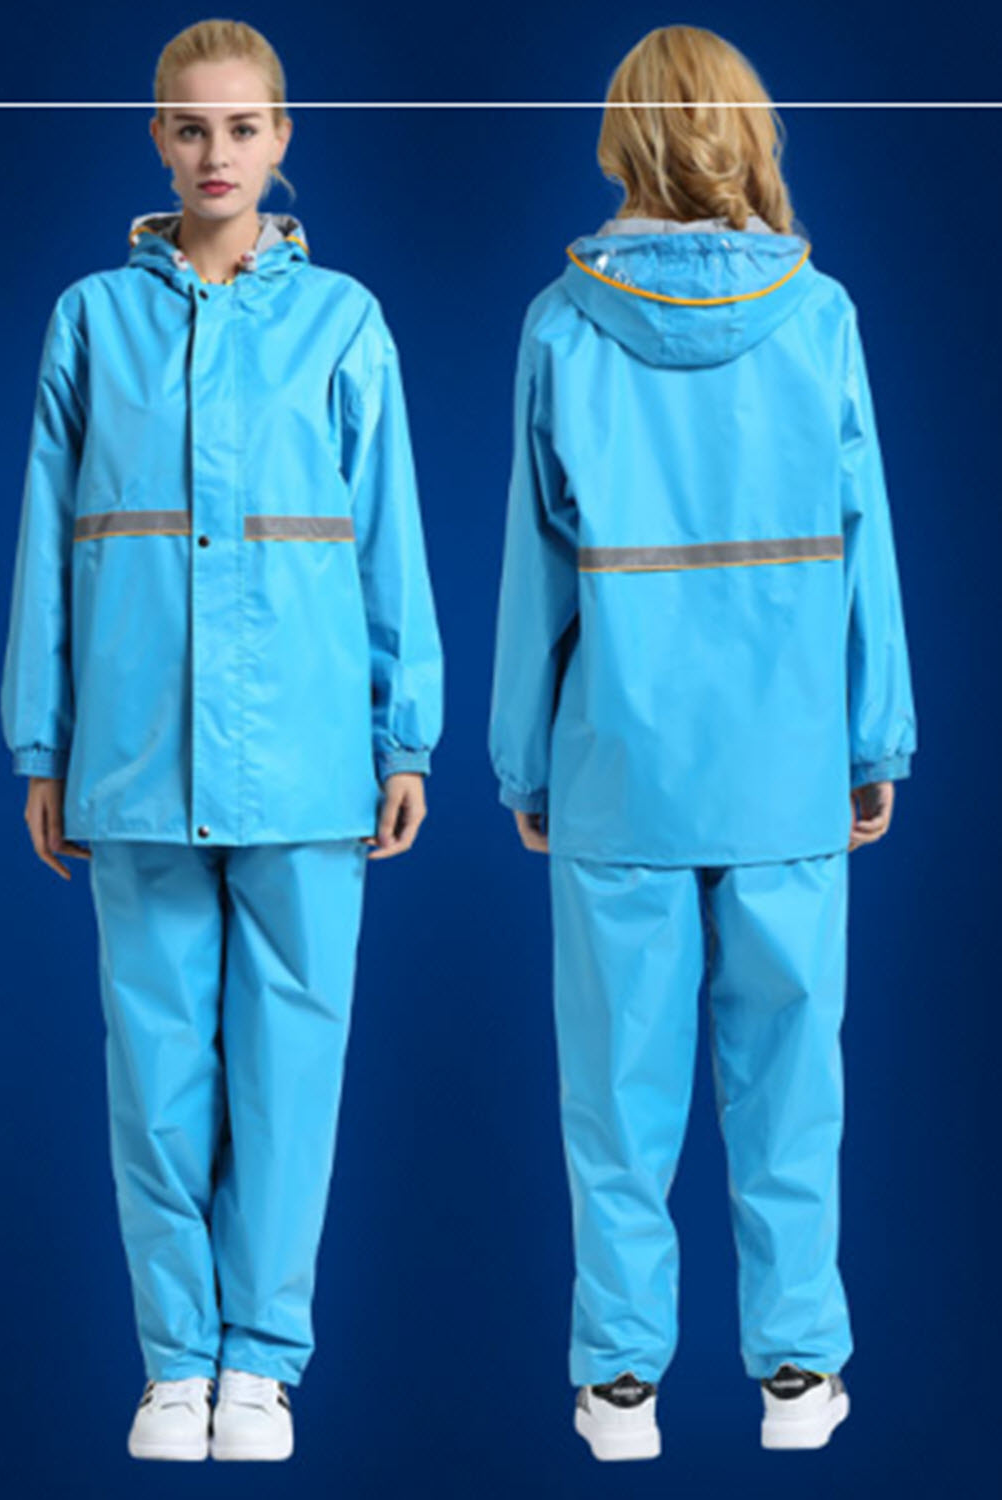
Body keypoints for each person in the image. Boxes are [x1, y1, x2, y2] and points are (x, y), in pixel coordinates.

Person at [0, 18, 443, 1463]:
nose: (216, 153)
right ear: (156, 137)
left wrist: (405, 736)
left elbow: (389, 541)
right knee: (156, 1081)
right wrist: (40, 743)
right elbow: (46, 546)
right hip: (133, 756)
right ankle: (173, 1363)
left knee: (290, 1078)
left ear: (281, 137)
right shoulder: (90, 321)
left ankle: (260, 1365)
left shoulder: (346, 322)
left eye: (242, 127)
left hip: (309, 760)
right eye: (190, 127)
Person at [488, 23, 915, 1459]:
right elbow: (866, 550)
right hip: (788, 765)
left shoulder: (561, 324)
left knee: (616, 1097)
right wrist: (875, 741)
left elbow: (534, 572)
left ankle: (620, 1390)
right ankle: (798, 1377)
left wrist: (522, 762)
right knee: (793, 1083)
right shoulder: (821, 316)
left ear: (625, 138)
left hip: (616, 770)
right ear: (745, 133)